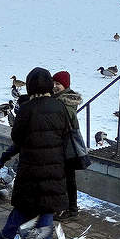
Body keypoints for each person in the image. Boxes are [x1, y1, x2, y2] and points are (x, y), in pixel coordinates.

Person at [0, 67, 70, 239]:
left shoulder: (27, 109)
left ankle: (8, 234)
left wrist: (6, 155)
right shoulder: (60, 107)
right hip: (55, 168)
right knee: (47, 207)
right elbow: (66, 134)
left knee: (24, 205)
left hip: (31, 167)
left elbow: (17, 137)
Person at [52, 70, 83, 217]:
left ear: (65, 85)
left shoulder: (65, 101)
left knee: (67, 178)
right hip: (62, 144)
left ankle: (70, 209)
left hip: (66, 145)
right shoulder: (60, 99)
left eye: (58, 83)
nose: (55, 86)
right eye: (53, 83)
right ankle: (70, 208)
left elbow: (69, 119)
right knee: (67, 177)